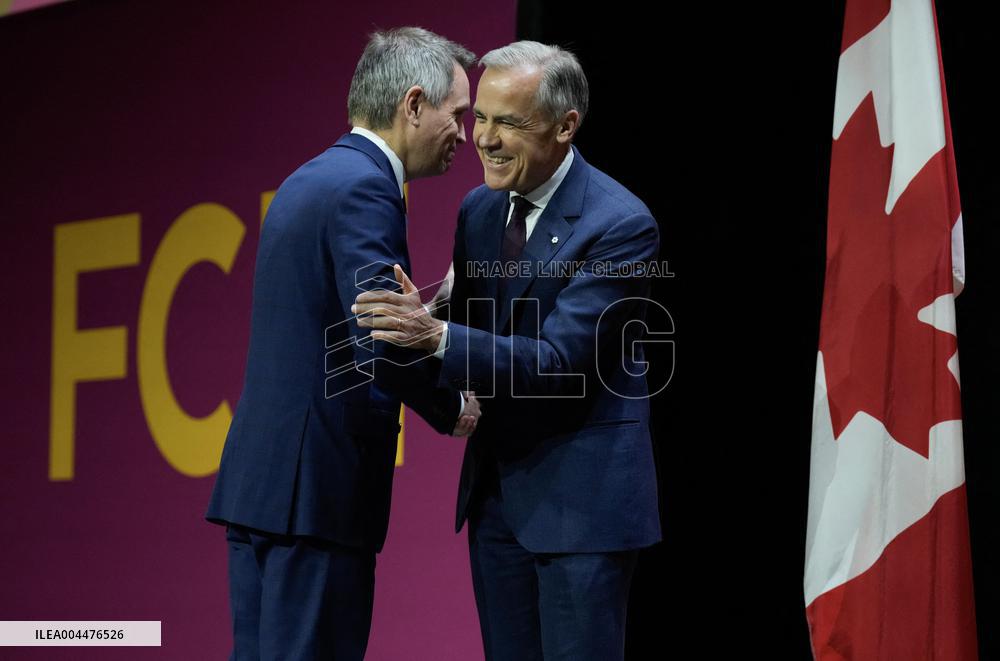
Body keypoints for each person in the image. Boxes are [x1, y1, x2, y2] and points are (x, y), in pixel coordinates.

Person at [354, 41, 661, 661]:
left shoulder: (620, 224)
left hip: (582, 514)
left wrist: (437, 336)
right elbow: (481, 315)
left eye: (508, 122)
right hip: (498, 504)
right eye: (481, 118)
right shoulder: (480, 210)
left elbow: (557, 364)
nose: (484, 140)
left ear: (565, 125)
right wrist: (436, 310)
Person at [205, 27, 478, 661]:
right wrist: (452, 405)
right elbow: (378, 345)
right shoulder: (368, 190)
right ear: (413, 104)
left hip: (265, 492)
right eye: (457, 115)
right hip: (317, 499)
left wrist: (432, 307)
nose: (464, 135)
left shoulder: (308, 179)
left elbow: (328, 327)